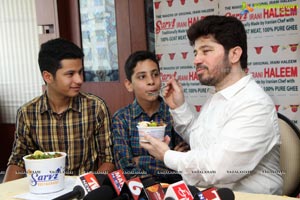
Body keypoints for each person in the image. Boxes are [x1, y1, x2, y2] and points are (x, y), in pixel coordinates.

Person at [140, 15, 283, 194]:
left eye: (206, 51)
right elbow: (202, 142)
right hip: (208, 194)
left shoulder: (255, 104)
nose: (196, 60)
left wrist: (167, 155)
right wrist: (179, 107)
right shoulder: (217, 95)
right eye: (195, 53)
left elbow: (216, 168)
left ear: (234, 54)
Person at [3, 38, 115, 182]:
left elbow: (108, 160)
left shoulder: (95, 107)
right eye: (70, 74)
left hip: (85, 188)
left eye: (80, 72)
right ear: (48, 76)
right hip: (44, 188)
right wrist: (5, 193)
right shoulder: (27, 113)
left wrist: (89, 186)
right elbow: (18, 161)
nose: (79, 80)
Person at [112, 50, 189, 183]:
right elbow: (126, 168)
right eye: (142, 77)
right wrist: (167, 160)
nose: (151, 82)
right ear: (129, 85)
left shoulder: (174, 113)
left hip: (174, 188)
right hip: (140, 191)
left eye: (155, 74)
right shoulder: (122, 118)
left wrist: (140, 161)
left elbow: (184, 166)